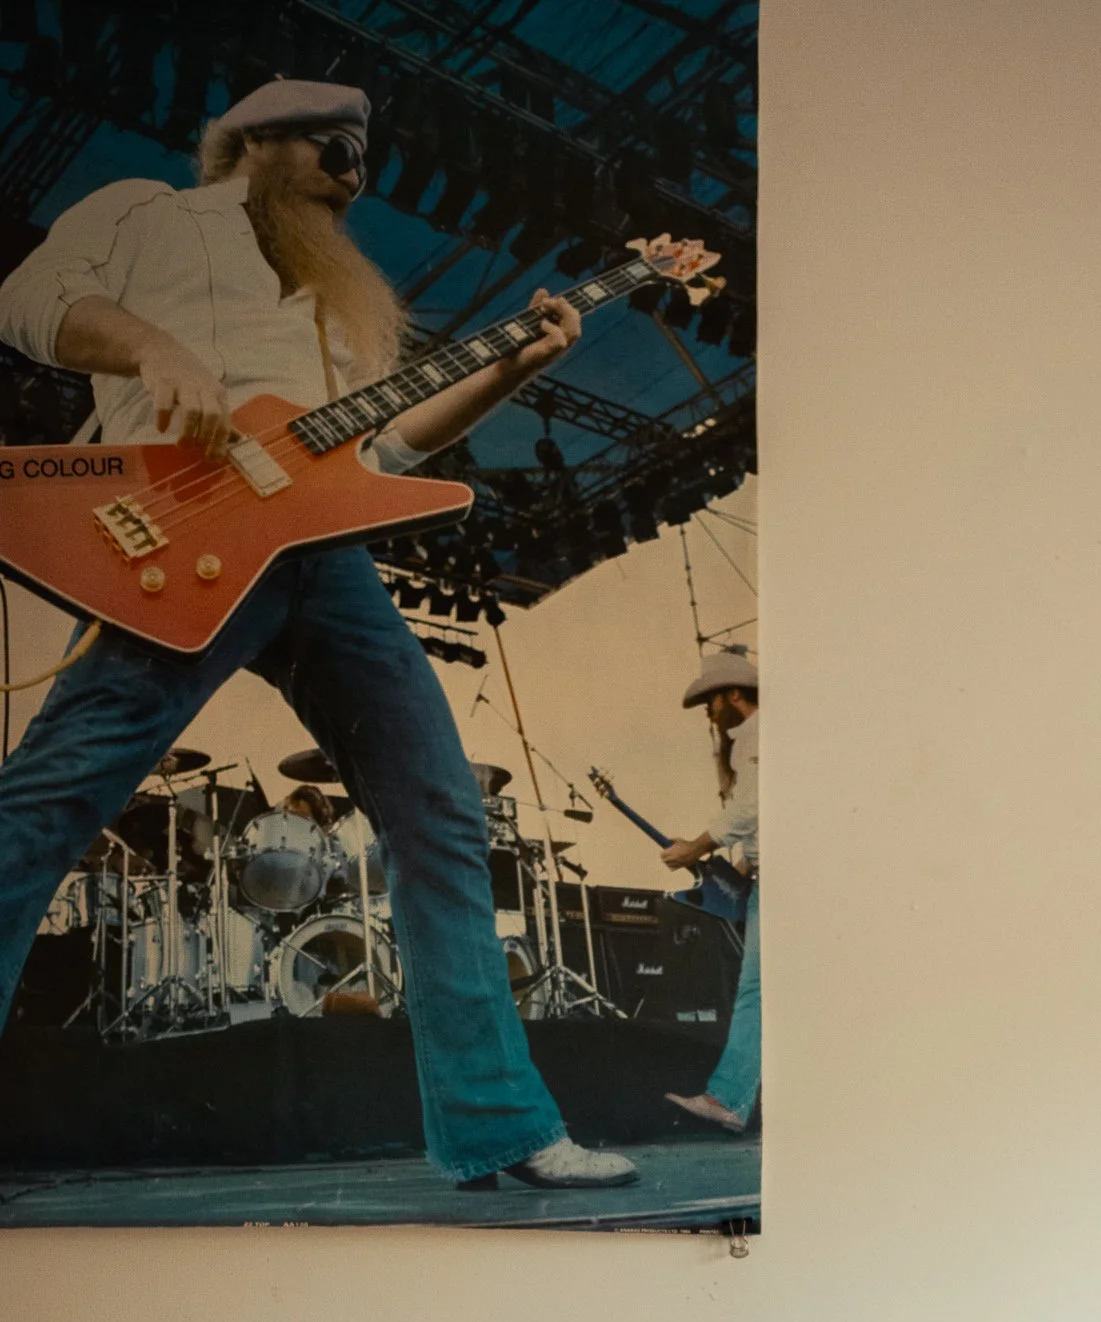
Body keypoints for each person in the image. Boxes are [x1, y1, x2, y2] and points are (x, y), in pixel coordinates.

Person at [0, 77, 634, 1190]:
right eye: (333, 148)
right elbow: (28, 296)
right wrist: (153, 350)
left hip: (324, 564)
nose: (354, 173)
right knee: (43, 808)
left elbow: (380, 456)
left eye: (362, 156)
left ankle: (501, 1128)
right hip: (179, 550)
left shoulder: (337, 300)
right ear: (252, 141)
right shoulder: (149, 210)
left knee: (443, 820)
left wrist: (516, 365)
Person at [662, 647, 759, 1132]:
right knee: (762, 992)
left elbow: (751, 809)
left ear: (733, 694)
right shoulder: (755, 738)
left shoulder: (756, 734)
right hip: (771, 875)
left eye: (711, 700)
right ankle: (730, 1098)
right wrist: (744, 867)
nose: (708, 711)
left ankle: (729, 1099)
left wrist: (696, 847)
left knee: (756, 992)